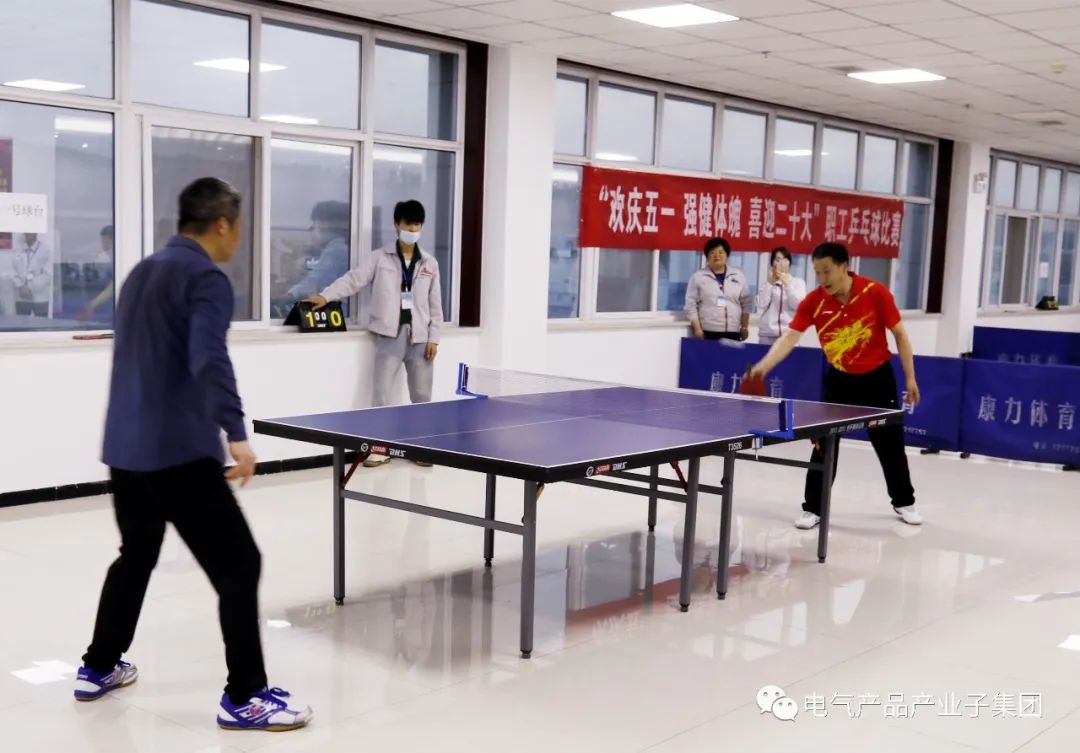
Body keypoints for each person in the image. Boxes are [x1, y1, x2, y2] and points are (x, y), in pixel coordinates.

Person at [76, 177, 312, 731]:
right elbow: (210, 358)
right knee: (240, 564)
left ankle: (98, 666)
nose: (239, 237)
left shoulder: (141, 272)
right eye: (239, 226)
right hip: (178, 452)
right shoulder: (205, 277)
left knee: (136, 555)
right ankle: (246, 696)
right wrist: (236, 432)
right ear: (223, 224)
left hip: (125, 450)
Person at [749, 242, 923, 529]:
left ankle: (904, 501)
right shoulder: (814, 301)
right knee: (824, 443)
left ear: (844, 267)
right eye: (817, 272)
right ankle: (813, 508)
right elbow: (790, 338)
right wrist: (763, 366)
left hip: (878, 379)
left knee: (890, 444)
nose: (822, 278)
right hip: (839, 380)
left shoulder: (875, 292)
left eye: (827, 271)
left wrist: (910, 377)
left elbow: (900, 335)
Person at [305, 199, 442, 467]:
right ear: (397, 225)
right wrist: (325, 296)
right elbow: (353, 280)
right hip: (389, 336)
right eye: (408, 224)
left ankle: (422, 449)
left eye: (417, 225)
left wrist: (434, 338)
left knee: (422, 397)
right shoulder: (379, 258)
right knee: (381, 395)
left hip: (420, 338)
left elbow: (435, 304)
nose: (413, 229)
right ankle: (380, 449)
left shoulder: (429, 263)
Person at [685, 237, 751, 341]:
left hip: (733, 331)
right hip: (708, 332)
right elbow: (690, 305)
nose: (717, 256)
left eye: (721, 252)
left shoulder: (738, 275)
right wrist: (697, 329)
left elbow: (746, 302)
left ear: (727, 255)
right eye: (712, 253)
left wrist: (744, 326)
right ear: (707, 256)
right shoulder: (698, 277)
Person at [285, 200, 351, 303]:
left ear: (325, 226)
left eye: (314, 227)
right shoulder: (339, 248)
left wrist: (289, 295)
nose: (312, 232)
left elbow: (313, 282)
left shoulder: (336, 251)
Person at [756, 246, 806, 345]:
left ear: (790, 264)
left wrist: (787, 285)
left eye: (785, 259)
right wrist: (770, 284)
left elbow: (798, 305)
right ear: (772, 264)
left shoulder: (798, 283)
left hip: (789, 336)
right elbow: (761, 305)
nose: (781, 263)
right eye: (778, 260)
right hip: (767, 336)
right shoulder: (767, 284)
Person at [13, 232, 52, 317]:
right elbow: (12, 270)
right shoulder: (17, 250)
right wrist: (20, 286)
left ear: (36, 233)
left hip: (40, 298)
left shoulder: (46, 250)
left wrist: (30, 288)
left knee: (41, 324)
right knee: (21, 323)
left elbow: (47, 274)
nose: (29, 233)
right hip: (21, 297)